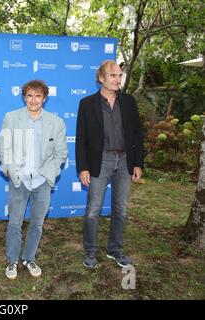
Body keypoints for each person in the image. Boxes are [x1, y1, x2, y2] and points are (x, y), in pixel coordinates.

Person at [75, 60, 144, 269]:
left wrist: (138, 163)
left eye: (119, 75)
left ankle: (115, 250)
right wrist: (83, 167)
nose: (117, 79)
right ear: (101, 78)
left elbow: (136, 134)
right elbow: (81, 139)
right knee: (93, 210)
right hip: (100, 161)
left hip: (125, 161)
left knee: (120, 210)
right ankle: (91, 252)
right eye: (113, 75)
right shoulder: (87, 104)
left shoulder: (129, 101)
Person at [0, 80, 67, 280]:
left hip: (42, 182)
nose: (33, 100)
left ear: (44, 98)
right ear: (24, 97)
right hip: (19, 180)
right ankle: (12, 260)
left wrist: (48, 174)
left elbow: (60, 153)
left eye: (38, 96)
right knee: (14, 223)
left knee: (37, 224)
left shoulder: (57, 122)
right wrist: (11, 172)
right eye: (29, 95)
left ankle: (29, 258)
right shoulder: (11, 118)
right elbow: (4, 149)